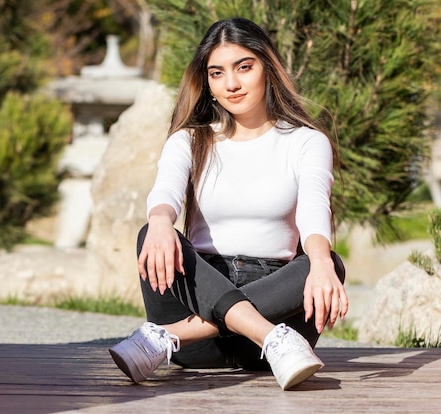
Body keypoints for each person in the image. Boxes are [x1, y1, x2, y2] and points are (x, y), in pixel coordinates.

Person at [108, 17, 349, 390]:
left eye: (244, 67)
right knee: (151, 232)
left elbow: (315, 210)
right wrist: (159, 223)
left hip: (273, 312)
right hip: (203, 306)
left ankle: (167, 337)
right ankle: (269, 337)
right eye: (217, 73)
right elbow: (167, 192)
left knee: (326, 260)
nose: (231, 84)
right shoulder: (190, 139)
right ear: (206, 81)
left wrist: (319, 261)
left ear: (267, 67)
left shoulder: (305, 141)